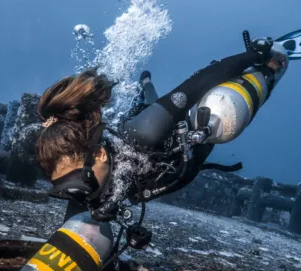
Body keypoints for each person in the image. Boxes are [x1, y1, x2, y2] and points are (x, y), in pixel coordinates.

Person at [35, 36, 280, 223]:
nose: (79, 194)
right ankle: (145, 88)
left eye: (78, 183)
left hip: (171, 130)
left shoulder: (144, 133)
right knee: (149, 106)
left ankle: (146, 83)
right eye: (64, 187)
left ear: (99, 155)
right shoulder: (87, 187)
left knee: (153, 103)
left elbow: (196, 84)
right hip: (164, 147)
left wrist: (251, 57)